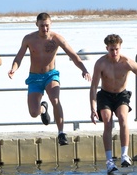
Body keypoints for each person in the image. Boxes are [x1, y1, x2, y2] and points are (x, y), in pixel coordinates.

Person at [8, 12, 91, 146]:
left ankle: (61, 133)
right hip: (35, 77)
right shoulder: (29, 39)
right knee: (34, 113)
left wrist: (84, 69)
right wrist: (13, 69)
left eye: (47, 26)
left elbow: (73, 55)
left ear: (51, 24)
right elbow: (19, 57)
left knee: (55, 99)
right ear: (37, 25)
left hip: (50, 75)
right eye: (42, 26)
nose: (45, 29)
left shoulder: (56, 38)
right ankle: (43, 110)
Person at [89, 34, 137, 174]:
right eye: (111, 49)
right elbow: (93, 87)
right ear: (107, 48)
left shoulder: (127, 63)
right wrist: (93, 108)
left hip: (121, 95)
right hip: (105, 96)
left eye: (116, 49)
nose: (114, 53)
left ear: (120, 47)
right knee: (107, 121)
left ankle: (124, 155)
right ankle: (109, 161)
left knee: (123, 118)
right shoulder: (101, 63)